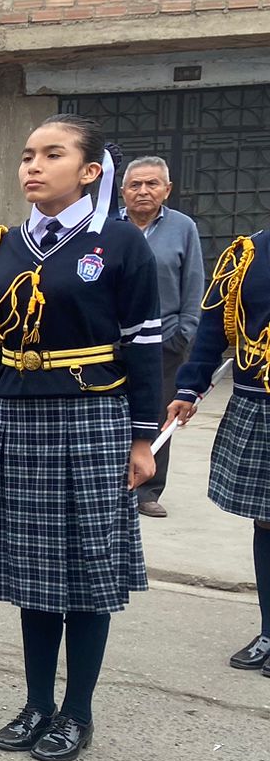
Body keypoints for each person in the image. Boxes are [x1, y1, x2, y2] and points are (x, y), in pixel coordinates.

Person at [0, 114, 160, 761]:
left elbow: (144, 344)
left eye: (52, 154)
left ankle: (76, 712)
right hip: (19, 419)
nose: (32, 165)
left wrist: (143, 439)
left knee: (85, 572)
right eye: (26, 154)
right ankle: (36, 704)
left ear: (89, 172)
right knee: (33, 573)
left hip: (93, 417)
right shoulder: (2, 248)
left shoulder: (119, 243)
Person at [167, 224, 270, 673]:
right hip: (258, 401)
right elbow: (214, 326)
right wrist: (189, 386)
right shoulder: (248, 253)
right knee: (266, 521)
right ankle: (269, 630)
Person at [118, 157, 204, 519]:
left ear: (167, 190)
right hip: (114, 341)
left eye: (152, 184)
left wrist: (185, 332)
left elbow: (194, 282)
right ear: (123, 192)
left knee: (159, 414)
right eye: (135, 185)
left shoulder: (183, 227)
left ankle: (149, 489)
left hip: (166, 339)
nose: (143, 191)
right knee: (114, 412)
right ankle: (112, 482)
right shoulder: (108, 228)